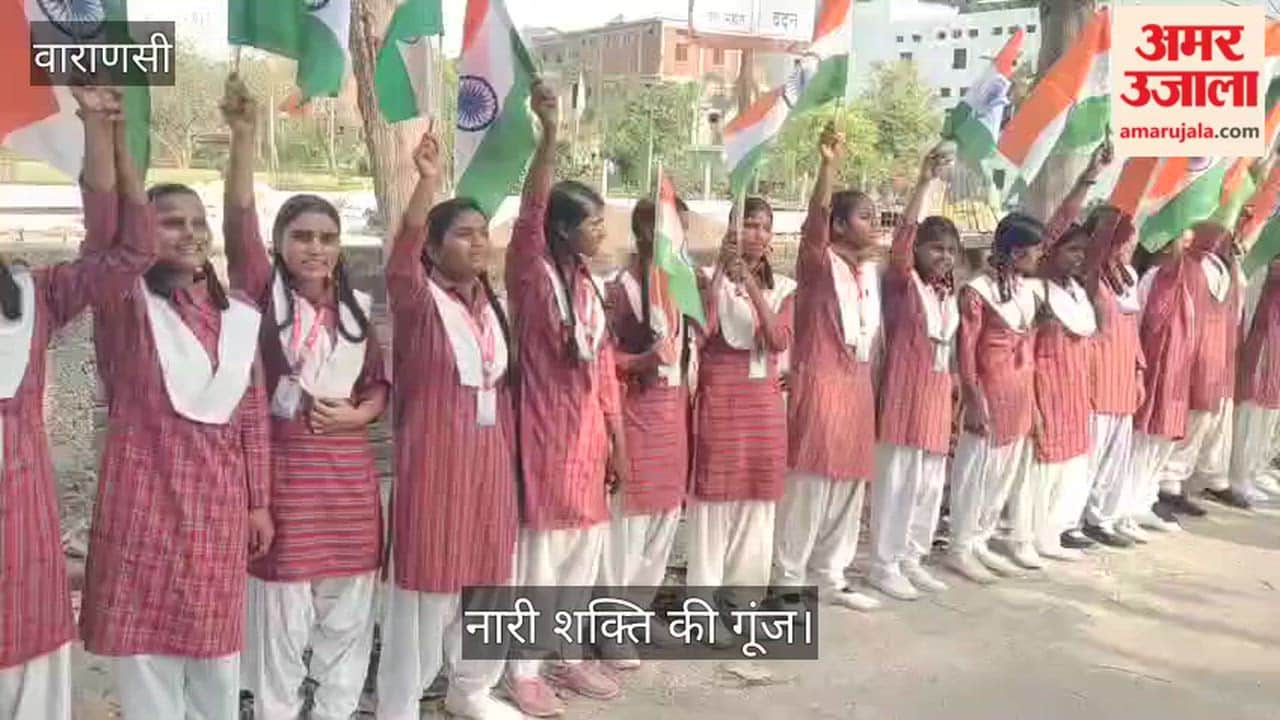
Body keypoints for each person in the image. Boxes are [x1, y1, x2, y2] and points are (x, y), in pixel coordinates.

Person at [81, 112, 274, 717]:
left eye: (198, 223)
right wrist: (105, 131)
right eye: (170, 224)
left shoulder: (236, 313)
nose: (189, 234)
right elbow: (102, 228)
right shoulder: (124, 306)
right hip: (141, 510)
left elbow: (253, 419)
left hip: (217, 517)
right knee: (146, 670)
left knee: (216, 665)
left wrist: (258, 501)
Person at [220, 77, 387, 720]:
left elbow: (379, 385)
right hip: (285, 479)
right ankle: (277, 710)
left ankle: (337, 710)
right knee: (282, 616)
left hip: (348, 484)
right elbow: (238, 223)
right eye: (302, 236)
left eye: (326, 237)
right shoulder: (265, 298)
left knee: (347, 612)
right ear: (280, 246)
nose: (315, 248)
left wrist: (361, 414)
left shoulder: (355, 311)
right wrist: (243, 139)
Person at [0, 86, 155, 720]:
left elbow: (125, 255)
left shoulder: (33, 296)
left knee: (32, 678)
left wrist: (99, 131)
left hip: (22, 531)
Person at [374, 126, 522, 720]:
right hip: (435, 469)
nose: (479, 243)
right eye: (463, 234)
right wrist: (427, 183)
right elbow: (400, 258)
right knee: (424, 594)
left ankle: (472, 692)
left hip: (489, 470)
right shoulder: (418, 301)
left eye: (484, 233)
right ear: (434, 249)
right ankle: (400, 705)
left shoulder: (492, 305)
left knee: (489, 585)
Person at [502, 82, 629, 717]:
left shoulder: (588, 285)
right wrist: (548, 135)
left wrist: (617, 441)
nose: (602, 233)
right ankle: (522, 670)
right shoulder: (532, 275)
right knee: (542, 561)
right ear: (560, 229)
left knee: (582, 556)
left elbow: (604, 367)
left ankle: (566, 655)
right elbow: (527, 215)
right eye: (593, 223)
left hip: (587, 441)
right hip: (544, 437)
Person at [772, 127, 882, 611]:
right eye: (864, 216)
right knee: (810, 483)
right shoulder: (818, 263)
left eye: (876, 216)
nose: (874, 224)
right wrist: (827, 165)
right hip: (819, 383)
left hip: (857, 386)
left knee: (849, 483)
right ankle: (787, 576)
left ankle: (830, 574)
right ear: (837, 225)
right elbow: (812, 224)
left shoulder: (868, 271)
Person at [597, 196, 694, 667]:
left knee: (662, 522)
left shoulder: (681, 286)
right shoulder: (619, 291)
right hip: (634, 416)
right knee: (628, 527)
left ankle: (636, 611)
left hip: (673, 417)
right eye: (670, 234)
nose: (679, 243)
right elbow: (601, 361)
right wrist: (641, 361)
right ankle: (611, 622)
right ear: (643, 234)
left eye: (683, 234)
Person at [690, 193, 795, 621]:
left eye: (765, 227)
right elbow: (705, 328)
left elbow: (778, 340)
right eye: (749, 224)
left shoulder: (785, 287)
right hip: (722, 398)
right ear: (732, 229)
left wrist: (750, 284)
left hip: (764, 405)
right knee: (714, 500)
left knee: (757, 500)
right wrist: (720, 273)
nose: (758, 234)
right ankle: (702, 604)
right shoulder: (702, 276)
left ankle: (742, 599)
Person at [1014, 141, 1112, 567]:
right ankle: (1027, 538)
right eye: (1072, 251)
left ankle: (1055, 531)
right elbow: (1055, 228)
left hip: (1075, 393)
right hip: (1044, 391)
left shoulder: (1077, 291)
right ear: (1050, 252)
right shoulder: (1037, 289)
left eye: (1083, 253)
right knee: (1041, 470)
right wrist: (1088, 178)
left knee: (1074, 463)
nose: (1078, 258)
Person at [868, 144, 957, 601]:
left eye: (949, 250)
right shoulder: (904, 285)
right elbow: (900, 245)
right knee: (897, 484)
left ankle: (911, 557)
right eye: (935, 249)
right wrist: (925, 183)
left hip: (937, 400)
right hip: (904, 398)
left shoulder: (947, 292)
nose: (943, 257)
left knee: (926, 485)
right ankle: (884, 563)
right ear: (919, 251)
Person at [946, 210, 1048, 583]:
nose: (1041, 257)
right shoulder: (977, 290)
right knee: (975, 472)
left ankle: (981, 539)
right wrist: (973, 400)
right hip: (988, 391)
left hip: (1019, 391)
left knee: (1002, 475)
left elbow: (1032, 350)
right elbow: (967, 350)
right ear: (1018, 252)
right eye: (1036, 250)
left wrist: (1034, 403)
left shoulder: (1026, 289)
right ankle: (959, 545)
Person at [1155, 221, 1244, 514]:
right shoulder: (1191, 268)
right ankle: (1166, 483)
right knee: (1185, 419)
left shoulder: (1227, 270)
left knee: (1203, 420)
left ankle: (1177, 481)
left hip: (1215, 355)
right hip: (1194, 352)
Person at [1080, 207, 1148, 547]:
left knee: (1115, 456)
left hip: (1123, 375)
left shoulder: (1130, 277)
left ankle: (1101, 518)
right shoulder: (1091, 276)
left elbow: (1132, 329)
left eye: (1131, 242)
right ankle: (1073, 519)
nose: (1128, 249)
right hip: (1097, 375)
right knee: (1091, 453)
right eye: (1122, 241)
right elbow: (1092, 261)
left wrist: (1139, 372)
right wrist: (1105, 228)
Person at [1129, 230, 1198, 533]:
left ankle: (1144, 501)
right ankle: (1129, 505)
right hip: (1153, 369)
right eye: (1182, 240)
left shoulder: (1189, 284)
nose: (1185, 247)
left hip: (1176, 374)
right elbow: (1142, 322)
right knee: (1142, 443)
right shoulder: (1152, 279)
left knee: (1161, 443)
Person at [1229, 255, 1280, 503]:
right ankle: (1239, 476)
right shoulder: (1261, 268)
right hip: (1259, 345)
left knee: (1267, 416)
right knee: (1251, 413)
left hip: (1275, 348)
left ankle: (1254, 469)